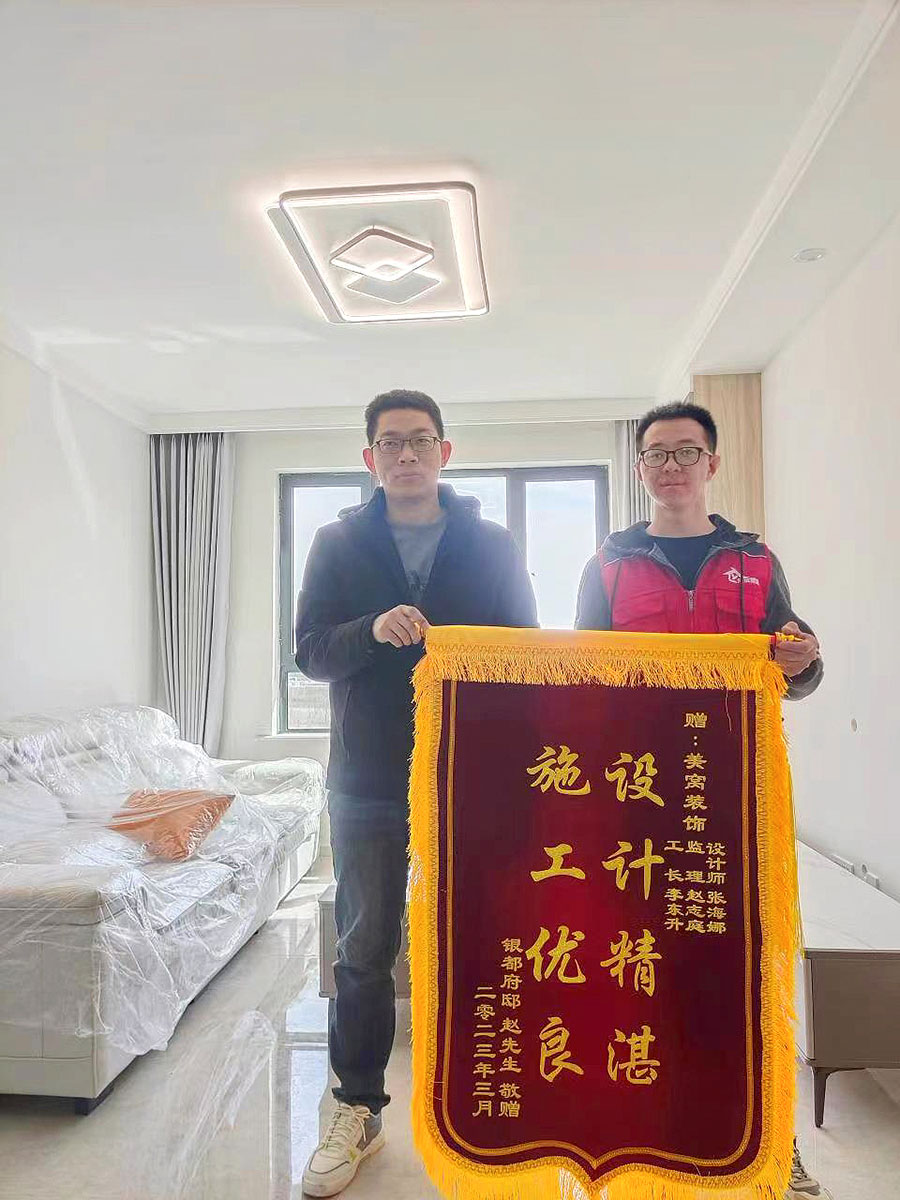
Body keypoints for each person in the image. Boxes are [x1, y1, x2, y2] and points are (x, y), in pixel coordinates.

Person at [576, 400, 827, 1199]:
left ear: (712, 464)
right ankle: (646, 1133)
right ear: (640, 468)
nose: (672, 466)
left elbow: (798, 669)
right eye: (657, 453)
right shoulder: (607, 565)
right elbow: (579, 681)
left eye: (687, 452)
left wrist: (803, 659)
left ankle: (771, 1141)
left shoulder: (755, 561)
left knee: (748, 967)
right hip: (640, 797)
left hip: (739, 796)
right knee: (641, 964)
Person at [296, 389, 537, 1197]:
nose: (407, 454)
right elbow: (310, 653)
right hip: (366, 778)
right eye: (392, 442)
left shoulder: (492, 544)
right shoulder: (336, 543)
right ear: (370, 458)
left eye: (421, 440)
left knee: (479, 937)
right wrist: (370, 630)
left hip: (470, 775)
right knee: (364, 948)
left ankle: (482, 1102)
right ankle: (357, 1108)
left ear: (445, 452)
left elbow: (524, 655)